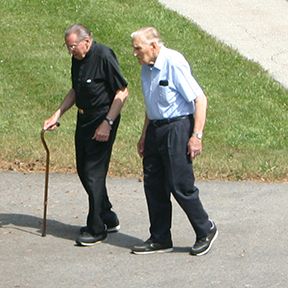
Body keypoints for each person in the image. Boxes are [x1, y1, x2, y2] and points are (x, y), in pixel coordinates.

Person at [130, 27, 217, 256]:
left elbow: (200, 100)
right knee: (154, 185)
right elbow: (152, 105)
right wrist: (144, 135)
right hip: (155, 129)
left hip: (177, 127)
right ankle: (160, 237)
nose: (135, 53)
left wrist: (196, 136)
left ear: (154, 46)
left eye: (138, 48)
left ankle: (205, 229)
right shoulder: (146, 68)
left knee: (180, 184)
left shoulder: (174, 62)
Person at [43, 24, 128, 246]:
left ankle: (97, 227)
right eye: (68, 47)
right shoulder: (77, 58)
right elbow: (75, 90)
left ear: (87, 42)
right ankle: (107, 215)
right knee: (83, 169)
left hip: (102, 119)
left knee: (93, 172)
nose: (70, 51)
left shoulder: (103, 55)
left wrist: (107, 123)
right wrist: (57, 115)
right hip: (84, 119)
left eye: (72, 47)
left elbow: (122, 91)